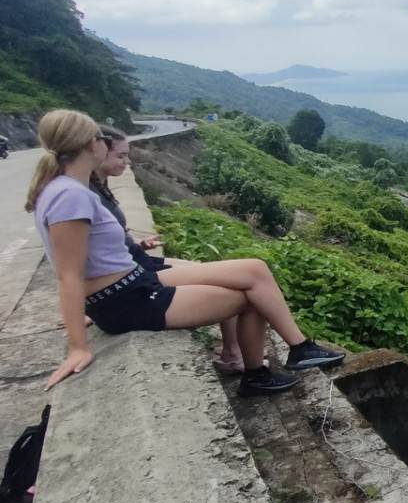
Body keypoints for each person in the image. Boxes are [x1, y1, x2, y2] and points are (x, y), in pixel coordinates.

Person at [26, 109, 344, 395]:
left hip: (132, 286)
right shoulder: (70, 196)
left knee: (254, 272)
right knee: (252, 295)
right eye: (100, 139)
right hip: (125, 298)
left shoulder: (67, 189)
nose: (105, 145)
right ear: (89, 144)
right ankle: (264, 369)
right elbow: (68, 275)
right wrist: (77, 346)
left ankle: (290, 354)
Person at [89, 125, 252, 374]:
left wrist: (139, 244)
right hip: (134, 274)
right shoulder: (84, 196)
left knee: (215, 272)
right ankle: (234, 354)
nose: (127, 161)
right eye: (120, 155)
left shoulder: (99, 187)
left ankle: (232, 351)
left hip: (134, 263)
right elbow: (73, 262)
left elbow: (109, 240)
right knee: (233, 284)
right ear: (98, 152)